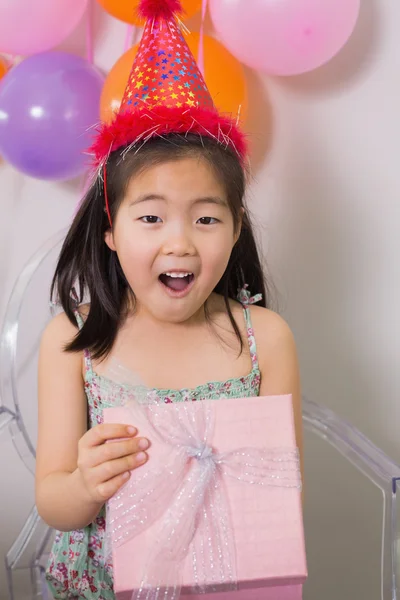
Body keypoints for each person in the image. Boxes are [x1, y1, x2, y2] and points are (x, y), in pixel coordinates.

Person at [35, 0, 303, 597]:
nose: (178, 242)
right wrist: (84, 484)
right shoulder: (75, 340)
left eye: (206, 219)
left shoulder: (266, 338)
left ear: (237, 229)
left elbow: (283, 490)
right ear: (109, 228)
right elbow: (53, 500)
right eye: (151, 217)